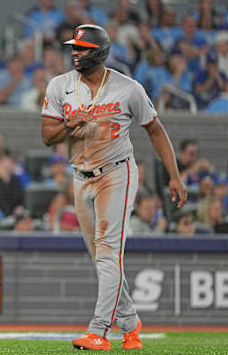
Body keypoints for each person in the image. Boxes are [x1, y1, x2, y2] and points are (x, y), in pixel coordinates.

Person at [41, 24, 187, 351]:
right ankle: (131, 324)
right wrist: (70, 124)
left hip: (116, 173)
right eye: (74, 48)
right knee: (101, 259)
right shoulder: (60, 86)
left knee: (107, 253)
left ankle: (99, 332)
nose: (75, 53)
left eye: (81, 48)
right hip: (80, 177)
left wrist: (174, 175)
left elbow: (156, 130)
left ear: (99, 52)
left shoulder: (128, 89)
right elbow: (47, 137)